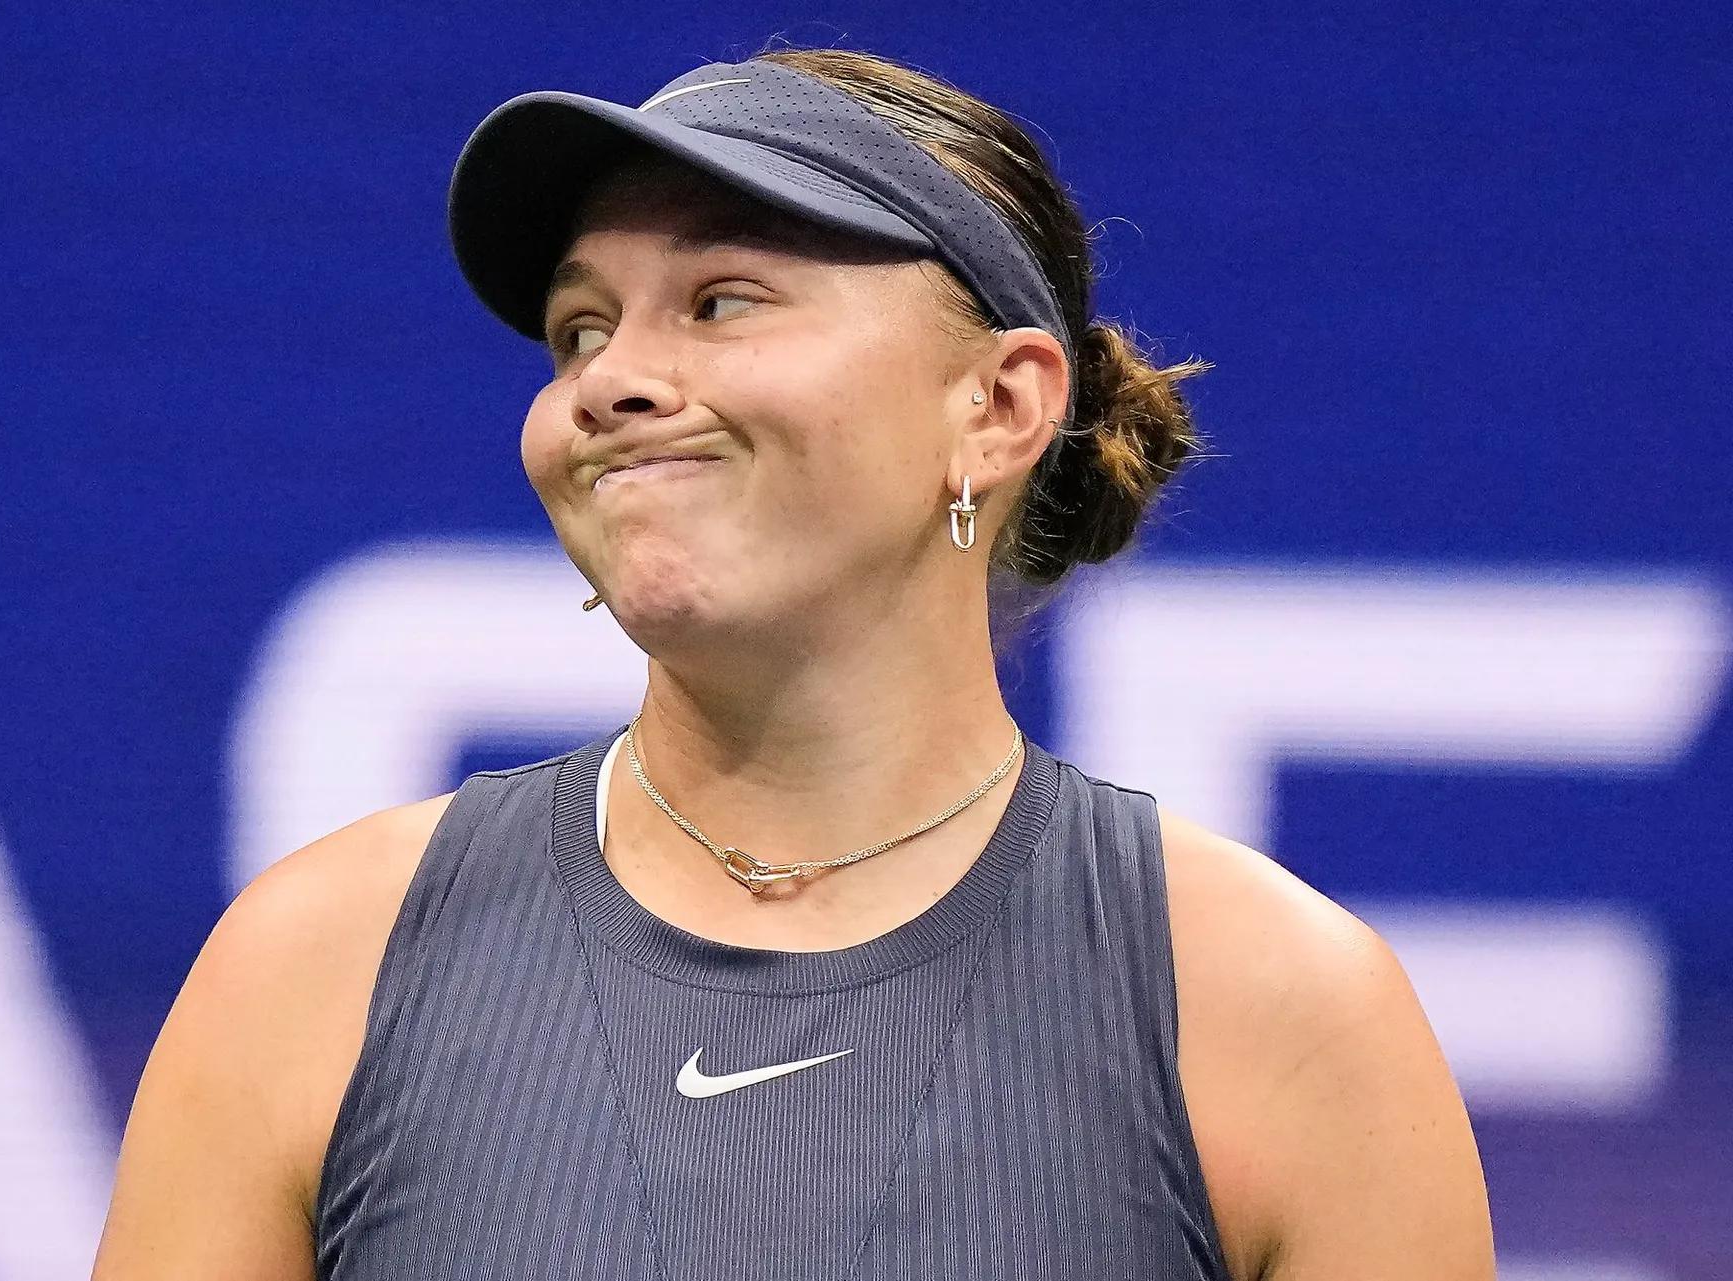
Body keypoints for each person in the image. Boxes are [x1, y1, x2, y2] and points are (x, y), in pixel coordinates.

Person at [92, 47, 1495, 1281]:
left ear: (998, 406)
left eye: (721, 302)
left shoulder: (1287, 1015)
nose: (608, 381)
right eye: (582, 328)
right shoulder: (314, 966)